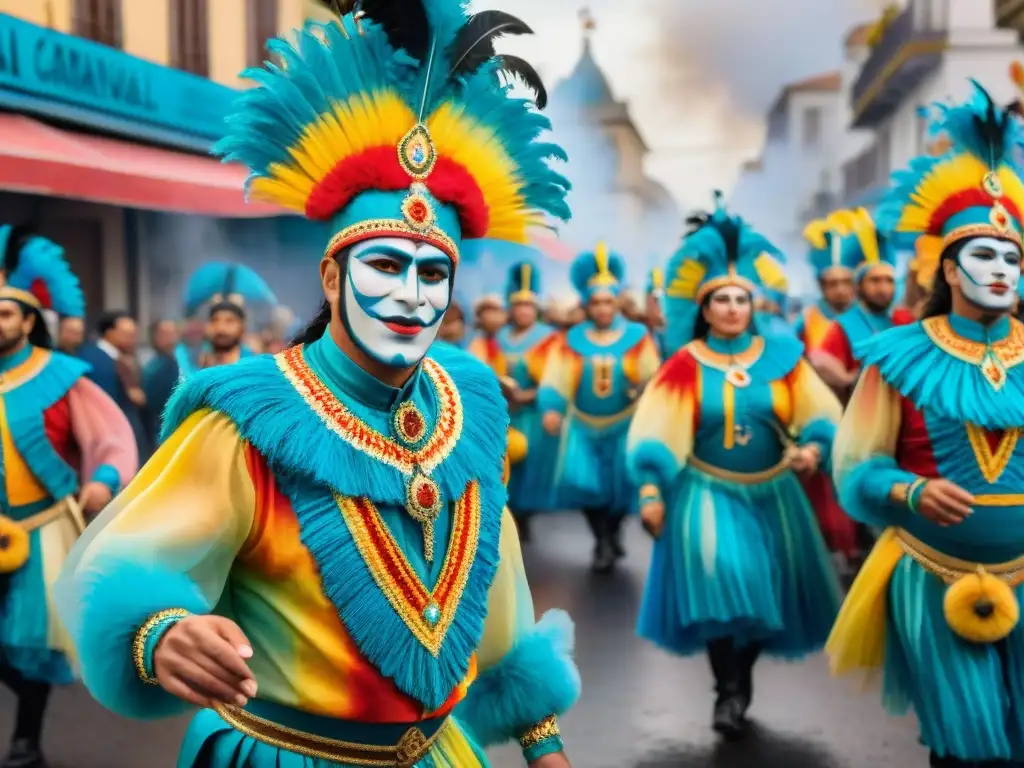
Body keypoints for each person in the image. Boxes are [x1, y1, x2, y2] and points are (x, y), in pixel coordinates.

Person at [54, 3, 580, 767]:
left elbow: (498, 590)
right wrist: (158, 631)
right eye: (386, 265)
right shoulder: (246, 419)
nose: (412, 295)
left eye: (434, 272)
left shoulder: (470, 407)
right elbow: (121, 566)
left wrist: (542, 740)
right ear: (332, 275)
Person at [828, 84, 1024, 768]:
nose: (1001, 271)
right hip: (932, 571)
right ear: (947, 266)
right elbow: (856, 467)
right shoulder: (900, 355)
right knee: (966, 747)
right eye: (984, 256)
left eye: (1012, 258)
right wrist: (910, 492)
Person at [627, 202, 842, 739]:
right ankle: (724, 689)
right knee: (725, 578)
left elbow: (821, 417)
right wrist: (652, 487)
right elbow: (656, 427)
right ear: (705, 308)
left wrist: (812, 450)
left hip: (773, 495)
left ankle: (740, 679)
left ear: (753, 305)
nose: (731, 307)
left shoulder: (784, 359)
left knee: (761, 595)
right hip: (704, 490)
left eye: (740, 299)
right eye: (720, 299)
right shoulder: (684, 363)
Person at [0, 225, 136, 768]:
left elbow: (110, 437)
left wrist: (102, 479)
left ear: (29, 320)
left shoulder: (63, 376)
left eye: (6, 312)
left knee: (33, 644)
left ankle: (25, 740)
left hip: (42, 528)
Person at [539, 244, 661, 573]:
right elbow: (555, 377)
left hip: (626, 423)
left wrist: (645, 389)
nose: (603, 308)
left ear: (617, 302)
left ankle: (614, 529)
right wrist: (551, 406)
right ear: (587, 304)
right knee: (588, 486)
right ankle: (602, 539)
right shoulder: (571, 339)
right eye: (596, 302)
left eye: (608, 301)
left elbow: (653, 376)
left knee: (621, 486)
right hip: (583, 425)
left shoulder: (637, 336)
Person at [794, 214, 860, 566]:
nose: (840, 290)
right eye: (833, 283)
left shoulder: (865, 320)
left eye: (846, 282)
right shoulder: (804, 321)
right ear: (821, 285)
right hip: (818, 416)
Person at [810, 208, 904, 402]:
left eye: (889, 280)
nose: (883, 288)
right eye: (875, 280)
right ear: (859, 286)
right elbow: (820, 365)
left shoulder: (905, 319)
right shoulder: (844, 325)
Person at [496, 261, 560, 541]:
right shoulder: (499, 338)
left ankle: (524, 517)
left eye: (529, 306)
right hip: (504, 412)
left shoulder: (547, 338)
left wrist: (528, 395)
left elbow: (555, 378)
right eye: (519, 306)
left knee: (529, 468)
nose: (524, 311)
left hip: (532, 413)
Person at [77, 310, 149, 459]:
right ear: (110, 333)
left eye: (134, 335)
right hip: (107, 439)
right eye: (127, 335)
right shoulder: (92, 359)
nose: (133, 340)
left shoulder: (125, 358)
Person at [182, 263, 278, 372]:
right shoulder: (193, 365)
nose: (221, 327)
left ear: (242, 326)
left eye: (230, 321)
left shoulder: (255, 367)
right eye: (215, 320)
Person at [141, 319, 181, 445]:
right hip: (162, 430)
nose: (172, 337)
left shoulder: (176, 359)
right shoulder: (157, 366)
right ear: (156, 337)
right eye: (166, 334)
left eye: (173, 333)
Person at [467, 295, 507, 368]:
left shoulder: (500, 339)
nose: (494, 317)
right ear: (479, 316)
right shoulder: (473, 340)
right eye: (489, 311)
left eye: (497, 311)